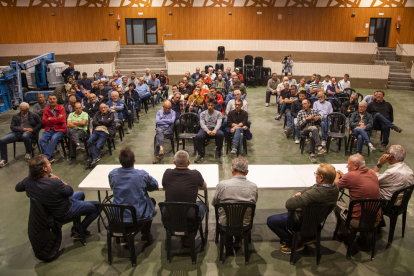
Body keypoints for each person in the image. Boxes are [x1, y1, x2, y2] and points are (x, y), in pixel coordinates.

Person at [15, 155, 101, 239]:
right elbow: (69, 191)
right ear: (44, 169)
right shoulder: (54, 183)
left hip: (50, 211)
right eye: (48, 163)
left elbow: (17, 188)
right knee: (98, 206)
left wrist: (33, 177)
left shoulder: (28, 181)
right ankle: (80, 230)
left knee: (80, 194)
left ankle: (76, 224)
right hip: (64, 212)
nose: (50, 164)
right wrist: (58, 179)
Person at [267, 163, 338, 254]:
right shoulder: (334, 187)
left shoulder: (315, 194)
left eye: (316, 174)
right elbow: (314, 187)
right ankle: (308, 237)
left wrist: (297, 196)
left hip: (304, 219)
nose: (315, 176)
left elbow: (289, 204)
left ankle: (295, 243)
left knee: (271, 221)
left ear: (321, 178)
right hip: (318, 219)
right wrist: (301, 192)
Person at [109, 148, 159, 244]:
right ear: (134, 160)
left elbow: (112, 186)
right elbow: (154, 185)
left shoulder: (112, 174)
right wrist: (145, 175)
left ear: (120, 161)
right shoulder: (142, 175)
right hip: (137, 217)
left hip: (118, 216)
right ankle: (145, 235)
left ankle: (125, 236)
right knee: (150, 201)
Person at [162, 150, 207, 245]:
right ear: (189, 162)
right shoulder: (195, 174)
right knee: (202, 205)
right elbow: (204, 186)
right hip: (190, 220)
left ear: (174, 162)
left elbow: (164, 186)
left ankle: (179, 233)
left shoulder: (167, 173)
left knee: (165, 204)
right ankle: (190, 236)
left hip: (170, 220)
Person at [212, 157, 258, 249]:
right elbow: (253, 203)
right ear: (247, 172)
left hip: (225, 223)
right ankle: (238, 239)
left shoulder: (222, 185)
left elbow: (215, 203)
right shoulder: (253, 187)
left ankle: (228, 241)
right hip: (244, 224)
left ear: (232, 170)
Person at [334, 154, 380, 241]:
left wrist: (336, 177)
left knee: (336, 204)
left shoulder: (350, 176)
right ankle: (363, 235)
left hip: (357, 221)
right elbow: (358, 181)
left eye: (348, 164)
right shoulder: (372, 172)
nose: (347, 166)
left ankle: (345, 233)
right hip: (375, 219)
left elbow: (334, 187)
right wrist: (345, 177)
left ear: (356, 166)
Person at [0, 102, 42, 167]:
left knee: (25, 136)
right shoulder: (15, 116)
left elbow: (40, 124)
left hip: (29, 132)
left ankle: (28, 152)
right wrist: (23, 129)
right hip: (18, 132)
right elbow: (12, 127)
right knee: (2, 140)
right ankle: (4, 159)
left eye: (25, 110)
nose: (23, 112)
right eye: (22, 110)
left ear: (28, 109)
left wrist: (33, 130)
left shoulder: (34, 115)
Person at [87, 103, 116, 168]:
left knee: (98, 146)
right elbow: (94, 122)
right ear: (99, 109)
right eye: (101, 108)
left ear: (106, 108)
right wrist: (104, 121)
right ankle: (95, 158)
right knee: (89, 141)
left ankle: (93, 159)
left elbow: (109, 122)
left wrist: (99, 121)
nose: (103, 109)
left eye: (104, 107)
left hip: (105, 131)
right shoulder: (97, 114)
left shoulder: (110, 113)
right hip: (96, 130)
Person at [40, 94, 66, 163]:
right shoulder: (46, 109)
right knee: (42, 139)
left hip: (59, 129)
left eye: (53, 99)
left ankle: (46, 158)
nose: (52, 100)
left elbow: (62, 120)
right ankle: (50, 157)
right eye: (50, 99)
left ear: (56, 100)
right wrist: (56, 119)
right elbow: (44, 121)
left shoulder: (61, 108)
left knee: (54, 138)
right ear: (48, 100)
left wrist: (50, 119)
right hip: (49, 129)